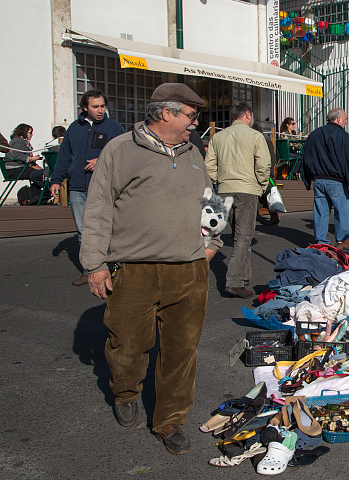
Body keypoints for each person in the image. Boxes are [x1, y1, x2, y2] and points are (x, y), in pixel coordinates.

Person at [80, 83, 220, 455]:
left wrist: (212, 245)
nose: (195, 123)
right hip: (134, 270)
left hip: (188, 271)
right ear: (166, 113)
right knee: (127, 346)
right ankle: (126, 392)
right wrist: (95, 265)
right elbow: (98, 209)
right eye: (191, 115)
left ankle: (170, 420)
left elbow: (212, 202)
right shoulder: (120, 150)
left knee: (181, 351)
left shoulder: (193, 152)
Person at [49, 90, 125, 286]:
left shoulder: (114, 128)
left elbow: (125, 153)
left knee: (107, 228)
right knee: (84, 231)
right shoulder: (74, 128)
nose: (100, 110)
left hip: (103, 186)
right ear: (85, 108)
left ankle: (113, 268)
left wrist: (101, 160)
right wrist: (56, 180)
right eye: (95, 106)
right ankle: (90, 270)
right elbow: (64, 157)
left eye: (102, 106)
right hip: (77, 187)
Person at [205, 102, 271, 298]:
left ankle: (242, 279)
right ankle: (234, 281)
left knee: (219, 236)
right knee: (243, 237)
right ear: (248, 115)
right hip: (247, 190)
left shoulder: (218, 137)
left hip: (224, 190)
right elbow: (264, 165)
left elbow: (209, 166)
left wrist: (218, 181)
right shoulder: (255, 136)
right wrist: (262, 186)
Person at [301, 108, 349, 245]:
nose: (346, 123)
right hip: (337, 181)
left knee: (321, 213)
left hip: (318, 180)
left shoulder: (314, 135)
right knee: (343, 213)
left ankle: (321, 242)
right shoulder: (344, 136)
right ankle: (342, 243)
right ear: (338, 119)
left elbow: (306, 157)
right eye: (345, 119)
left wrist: (307, 179)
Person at [6, 124, 46, 190]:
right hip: (14, 170)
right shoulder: (19, 141)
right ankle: (44, 192)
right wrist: (33, 158)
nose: (32, 134)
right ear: (24, 132)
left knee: (40, 173)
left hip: (16, 168)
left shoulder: (19, 140)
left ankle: (37, 192)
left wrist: (34, 163)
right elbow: (17, 155)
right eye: (30, 132)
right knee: (38, 175)